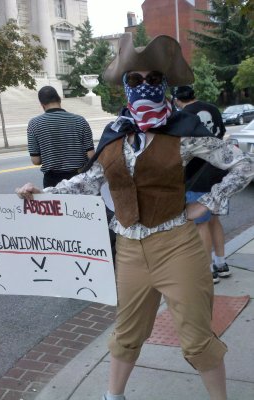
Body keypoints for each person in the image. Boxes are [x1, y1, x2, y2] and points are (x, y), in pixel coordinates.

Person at [16, 33, 253, 400]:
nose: (144, 86)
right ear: (124, 87)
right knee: (126, 332)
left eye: (153, 79)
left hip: (177, 246)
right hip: (128, 248)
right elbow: (89, 180)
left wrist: (209, 201)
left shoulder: (184, 131)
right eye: (135, 80)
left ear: (165, 84)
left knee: (195, 337)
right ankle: (114, 396)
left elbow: (243, 164)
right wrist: (44, 192)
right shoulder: (115, 133)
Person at [175, 86, 230, 284]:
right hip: (218, 169)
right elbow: (221, 134)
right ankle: (221, 263)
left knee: (201, 224)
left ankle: (208, 271)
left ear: (177, 100)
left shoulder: (183, 115)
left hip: (197, 174)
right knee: (214, 220)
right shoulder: (213, 109)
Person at [27, 85, 95, 188]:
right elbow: (91, 156)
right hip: (78, 178)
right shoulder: (80, 120)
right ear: (59, 99)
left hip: (52, 181)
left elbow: (36, 160)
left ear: (42, 104)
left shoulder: (34, 124)